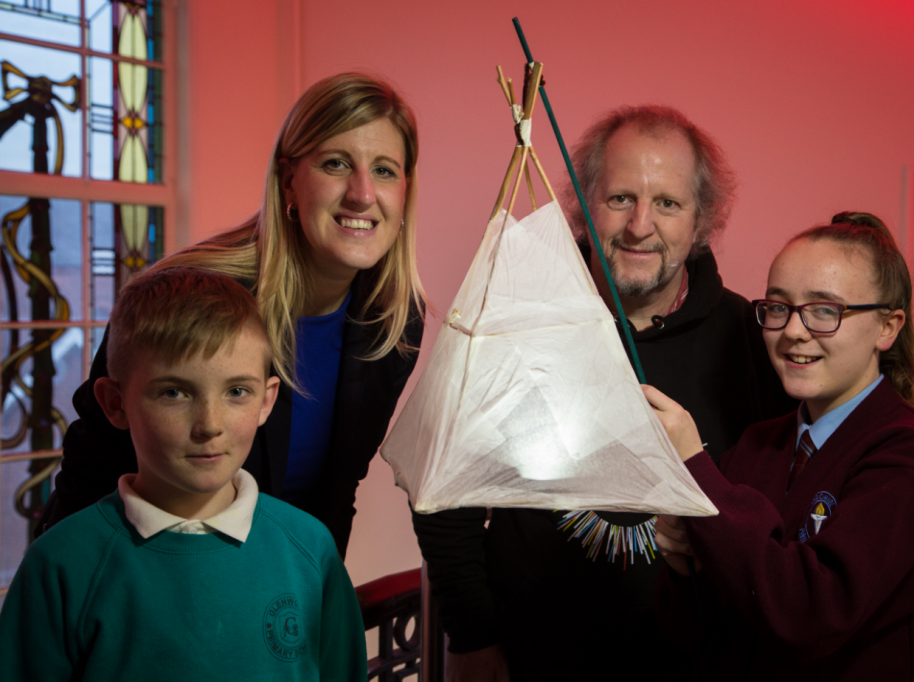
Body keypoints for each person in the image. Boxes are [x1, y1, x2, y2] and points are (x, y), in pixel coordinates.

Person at [412, 105, 795, 681]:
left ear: (701, 222)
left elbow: (779, 507)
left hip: (696, 663)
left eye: (667, 203)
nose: (641, 225)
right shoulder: (520, 317)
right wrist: (473, 636)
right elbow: (444, 498)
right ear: (584, 206)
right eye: (620, 199)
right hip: (534, 657)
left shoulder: (747, 336)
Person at [38, 73, 425, 558]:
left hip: (272, 592)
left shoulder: (394, 321)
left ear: (405, 190)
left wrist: (320, 606)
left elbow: (335, 494)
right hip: (141, 576)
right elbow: (92, 469)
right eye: (336, 164)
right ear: (290, 181)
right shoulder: (192, 292)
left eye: (385, 170)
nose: (363, 194)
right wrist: (55, 603)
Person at [650, 212, 914, 681]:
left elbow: (808, 615)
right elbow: (700, 631)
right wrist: (690, 569)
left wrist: (695, 465)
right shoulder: (758, 444)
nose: (793, 330)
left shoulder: (909, 457)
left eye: (825, 310)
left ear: (887, 328)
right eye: (778, 307)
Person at [0, 267, 367, 681]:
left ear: (266, 401)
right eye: (174, 392)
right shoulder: (59, 567)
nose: (209, 425)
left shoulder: (311, 550)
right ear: (115, 403)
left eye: (236, 392)